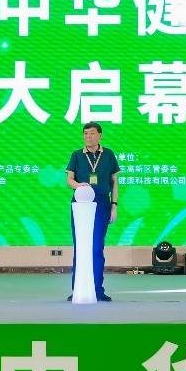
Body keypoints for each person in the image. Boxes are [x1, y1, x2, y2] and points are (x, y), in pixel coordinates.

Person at [65, 122, 120, 301]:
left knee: (97, 247)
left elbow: (114, 182)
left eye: (92, 133)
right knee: (80, 247)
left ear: (100, 135)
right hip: (81, 204)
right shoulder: (77, 155)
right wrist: (78, 186)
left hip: (102, 204)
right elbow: (69, 179)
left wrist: (114, 205)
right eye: (85, 133)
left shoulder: (109, 154)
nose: (88, 136)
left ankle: (97, 290)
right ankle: (78, 289)